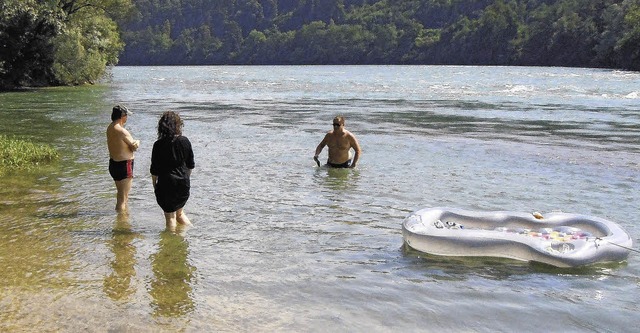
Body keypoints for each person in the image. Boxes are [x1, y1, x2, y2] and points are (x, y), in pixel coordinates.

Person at [150, 111, 195, 230]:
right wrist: (185, 179)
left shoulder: (158, 145)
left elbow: (154, 170)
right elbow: (190, 165)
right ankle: (193, 234)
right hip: (183, 183)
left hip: (165, 183)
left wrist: (155, 186)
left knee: (170, 218)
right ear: (178, 125)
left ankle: (170, 246)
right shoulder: (184, 141)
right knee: (180, 214)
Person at [106, 105, 140, 213]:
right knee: (123, 198)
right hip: (125, 165)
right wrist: (138, 142)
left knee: (120, 195)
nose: (127, 118)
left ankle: (121, 218)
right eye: (126, 116)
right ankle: (122, 223)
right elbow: (133, 147)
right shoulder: (122, 131)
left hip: (113, 164)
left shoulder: (110, 128)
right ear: (122, 116)